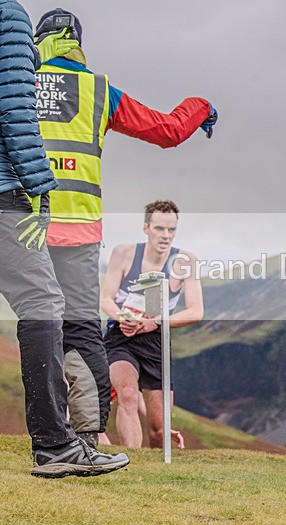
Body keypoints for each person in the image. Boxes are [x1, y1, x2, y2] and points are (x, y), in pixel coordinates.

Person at [33, 8, 217, 448]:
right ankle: (89, 434)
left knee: (38, 326)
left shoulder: (18, 86)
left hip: (24, 226)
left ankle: (51, 428)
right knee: (79, 329)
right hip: (78, 230)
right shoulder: (99, 91)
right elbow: (168, 130)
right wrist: (203, 107)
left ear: (37, 41)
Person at [0, 0, 128, 477]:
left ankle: (71, 441)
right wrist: (40, 189)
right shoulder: (9, 18)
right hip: (38, 213)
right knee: (53, 311)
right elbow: (14, 114)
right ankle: (64, 443)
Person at [100, 200, 202, 448]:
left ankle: (154, 473)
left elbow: (196, 311)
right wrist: (122, 317)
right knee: (127, 394)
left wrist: (156, 322)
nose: (165, 236)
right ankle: (130, 462)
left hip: (156, 341)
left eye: (171, 230)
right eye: (159, 229)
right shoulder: (124, 253)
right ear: (146, 228)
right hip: (121, 335)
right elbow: (105, 298)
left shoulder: (185, 261)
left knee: (159, 430)